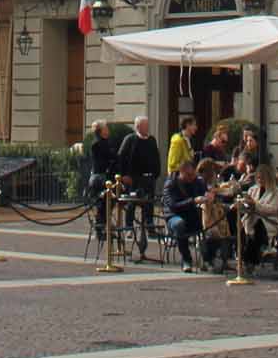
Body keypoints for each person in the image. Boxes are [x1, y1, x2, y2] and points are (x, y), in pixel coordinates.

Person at [115, 116, 161, 259]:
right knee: (131, 203)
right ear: (138, 127)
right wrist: (123, 175)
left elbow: (156, 157)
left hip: (148, 178)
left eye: (148, 125)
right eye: (144, 126)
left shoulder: (152, 140)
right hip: (133, 178)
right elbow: (121, 157)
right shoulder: (130, 139)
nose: (147, 128)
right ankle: (129, 226)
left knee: (149, 203)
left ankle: (149, 225)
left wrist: (155, 174)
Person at [162, 157, 209, 271]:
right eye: (188, 175)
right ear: (181, 172)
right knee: (179, 224)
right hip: (174, 215)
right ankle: (186, 259)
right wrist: (193, 201)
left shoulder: (198, 181)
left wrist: (209, 196)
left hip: (192, 215)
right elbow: (173, 205)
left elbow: (204, 192)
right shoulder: (171, 184)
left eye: (193, 175)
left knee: (209, 224)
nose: (191, 178)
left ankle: (209, 258)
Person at [238, 162, 278, 274]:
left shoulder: (277, 192)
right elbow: (246, 208)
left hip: (268, 221)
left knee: (257, 228)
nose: (260, 180)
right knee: (243, 229)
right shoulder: (252, 190)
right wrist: (244, 205)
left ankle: (249, 261)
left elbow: (272, 209)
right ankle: (247, 259)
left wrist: (255, 205)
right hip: (250, 220)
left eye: (262, 178)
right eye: (258, 178)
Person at [86, 120, 121, 240]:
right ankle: (100, 230)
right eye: (106, 128)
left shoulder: (107, 142)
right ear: (101, 131)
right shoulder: (97, 144)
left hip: (107, 178)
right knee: (102, 205)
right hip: (100, 178)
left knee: (109, 205)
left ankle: (105, 228)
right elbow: (105, 160)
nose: (108, 130)